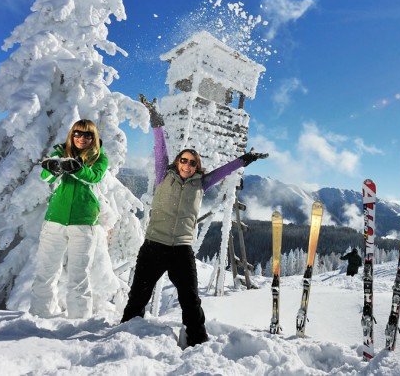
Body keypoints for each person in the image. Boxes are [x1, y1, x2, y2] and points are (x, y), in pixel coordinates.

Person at [120, 95, 267, 347]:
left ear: (196, 166)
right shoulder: (162, 175)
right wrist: (156, 117)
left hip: (181, 249)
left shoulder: (201, 183)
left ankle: (198, 340)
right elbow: (160, 146)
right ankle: (125, 337)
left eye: (191, 162)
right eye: (183, 160)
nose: (187, 165)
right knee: (138, 296)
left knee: (190, 299)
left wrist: (245, 159)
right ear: (177, 162)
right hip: (154, 245)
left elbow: (224, 170)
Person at [30, 119, 108, 319]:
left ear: (94, 138)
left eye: (87, 135)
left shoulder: (99, 158)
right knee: (45, 272)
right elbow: (46, 178)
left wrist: (76, 168)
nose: (82, 138)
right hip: (55, 220)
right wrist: (52, 168)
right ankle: (40, 316)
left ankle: (79, 320)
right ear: (72, 135)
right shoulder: (60, 152)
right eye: (77, 134)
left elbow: (93, 177)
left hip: (83, 223)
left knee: (78, 275)